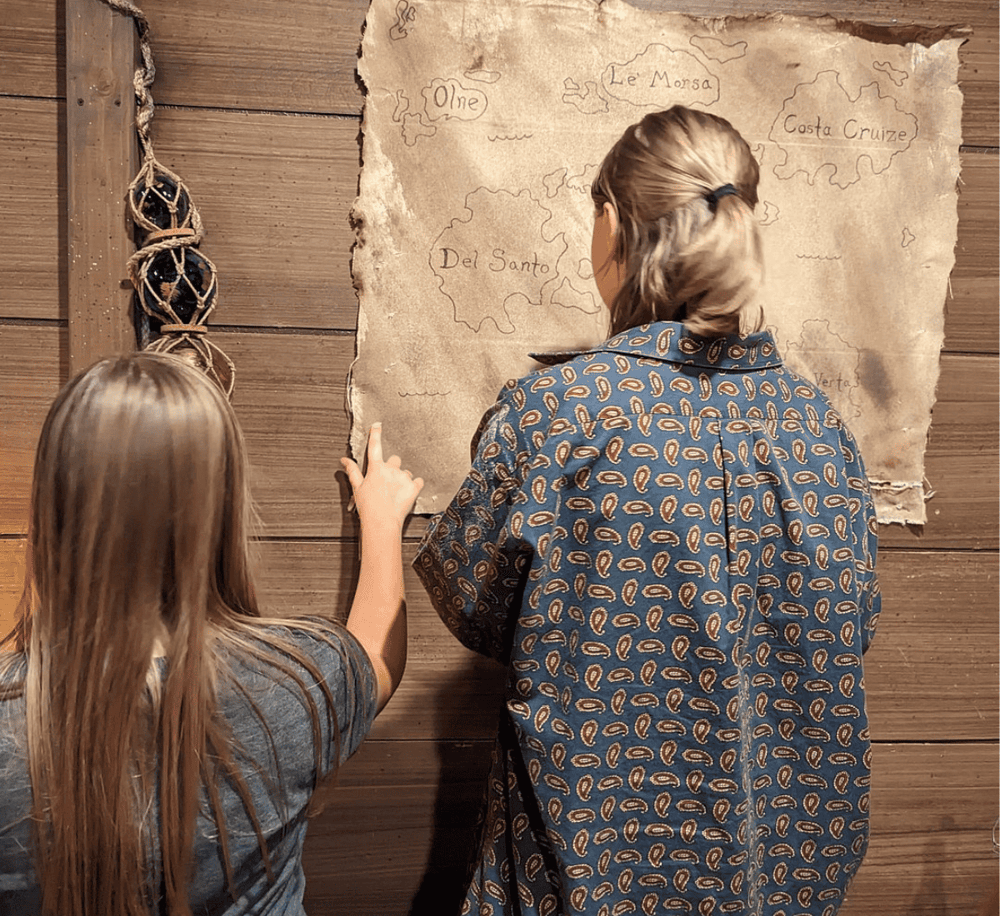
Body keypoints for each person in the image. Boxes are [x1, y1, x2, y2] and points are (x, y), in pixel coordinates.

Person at [414, 106, 881, 916]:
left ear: (611, 223)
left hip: (587, 877)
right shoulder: (822, 431)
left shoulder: (554, 415)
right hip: (789, 888)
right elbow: (849, 628)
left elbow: (476, 608)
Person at [0, 351, 422, 916]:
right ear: (221, 509)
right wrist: (382, 522)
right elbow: (377, 659)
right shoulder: (297, 679)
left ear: (54, 504)